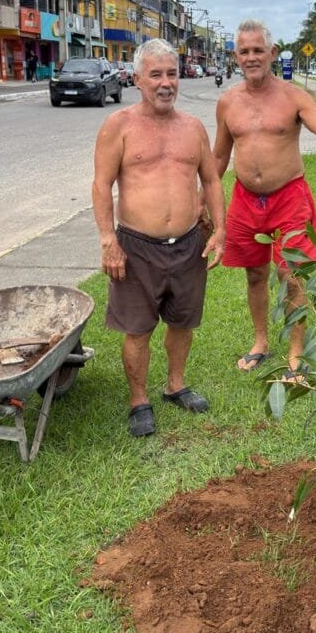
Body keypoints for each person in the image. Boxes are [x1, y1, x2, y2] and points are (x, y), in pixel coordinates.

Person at [92, 38, 225, 437]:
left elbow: (212, 180)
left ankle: (175, 384)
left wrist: (220, 230)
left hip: (188, 244)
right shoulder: (119, 126)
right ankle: (138, 400)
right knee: (138, 328)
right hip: (136, 247)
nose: (166, 83)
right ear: (137, 80)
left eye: (171, 73)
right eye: (156, 75)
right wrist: (107, 241)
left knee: (182, 321)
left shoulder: (193, 128)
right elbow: (101, 186)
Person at [213, 19, 316, 380]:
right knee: (254, 275)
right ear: (235, 57)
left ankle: (295, 355)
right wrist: (203, 196)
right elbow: (218, 158)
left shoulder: (293, 96)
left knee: (292, 276)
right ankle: (261, 342)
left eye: (258, 50)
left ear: (272, 53)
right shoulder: (228, 103)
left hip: (289, 197)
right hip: (246, 201)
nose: (252, 57)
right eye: (244, 51)